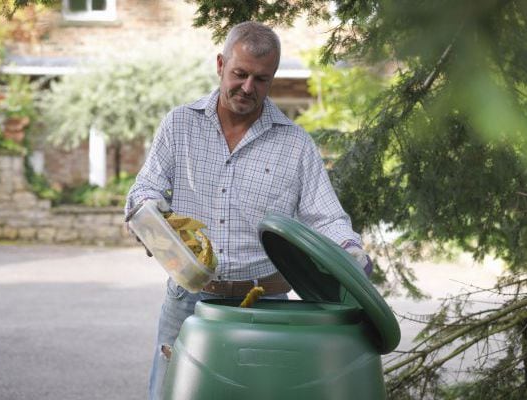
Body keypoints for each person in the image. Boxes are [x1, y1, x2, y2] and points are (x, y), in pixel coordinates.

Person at [124, 21, 372, 400]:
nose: (248, 88)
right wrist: (149, 213)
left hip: (267, 306)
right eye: (240, 74)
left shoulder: (295, 145)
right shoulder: (180, 125)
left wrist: (350, 251)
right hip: (189, 299)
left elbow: (327, 218)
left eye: (261, 79)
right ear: (221, 64)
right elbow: (144, 189)